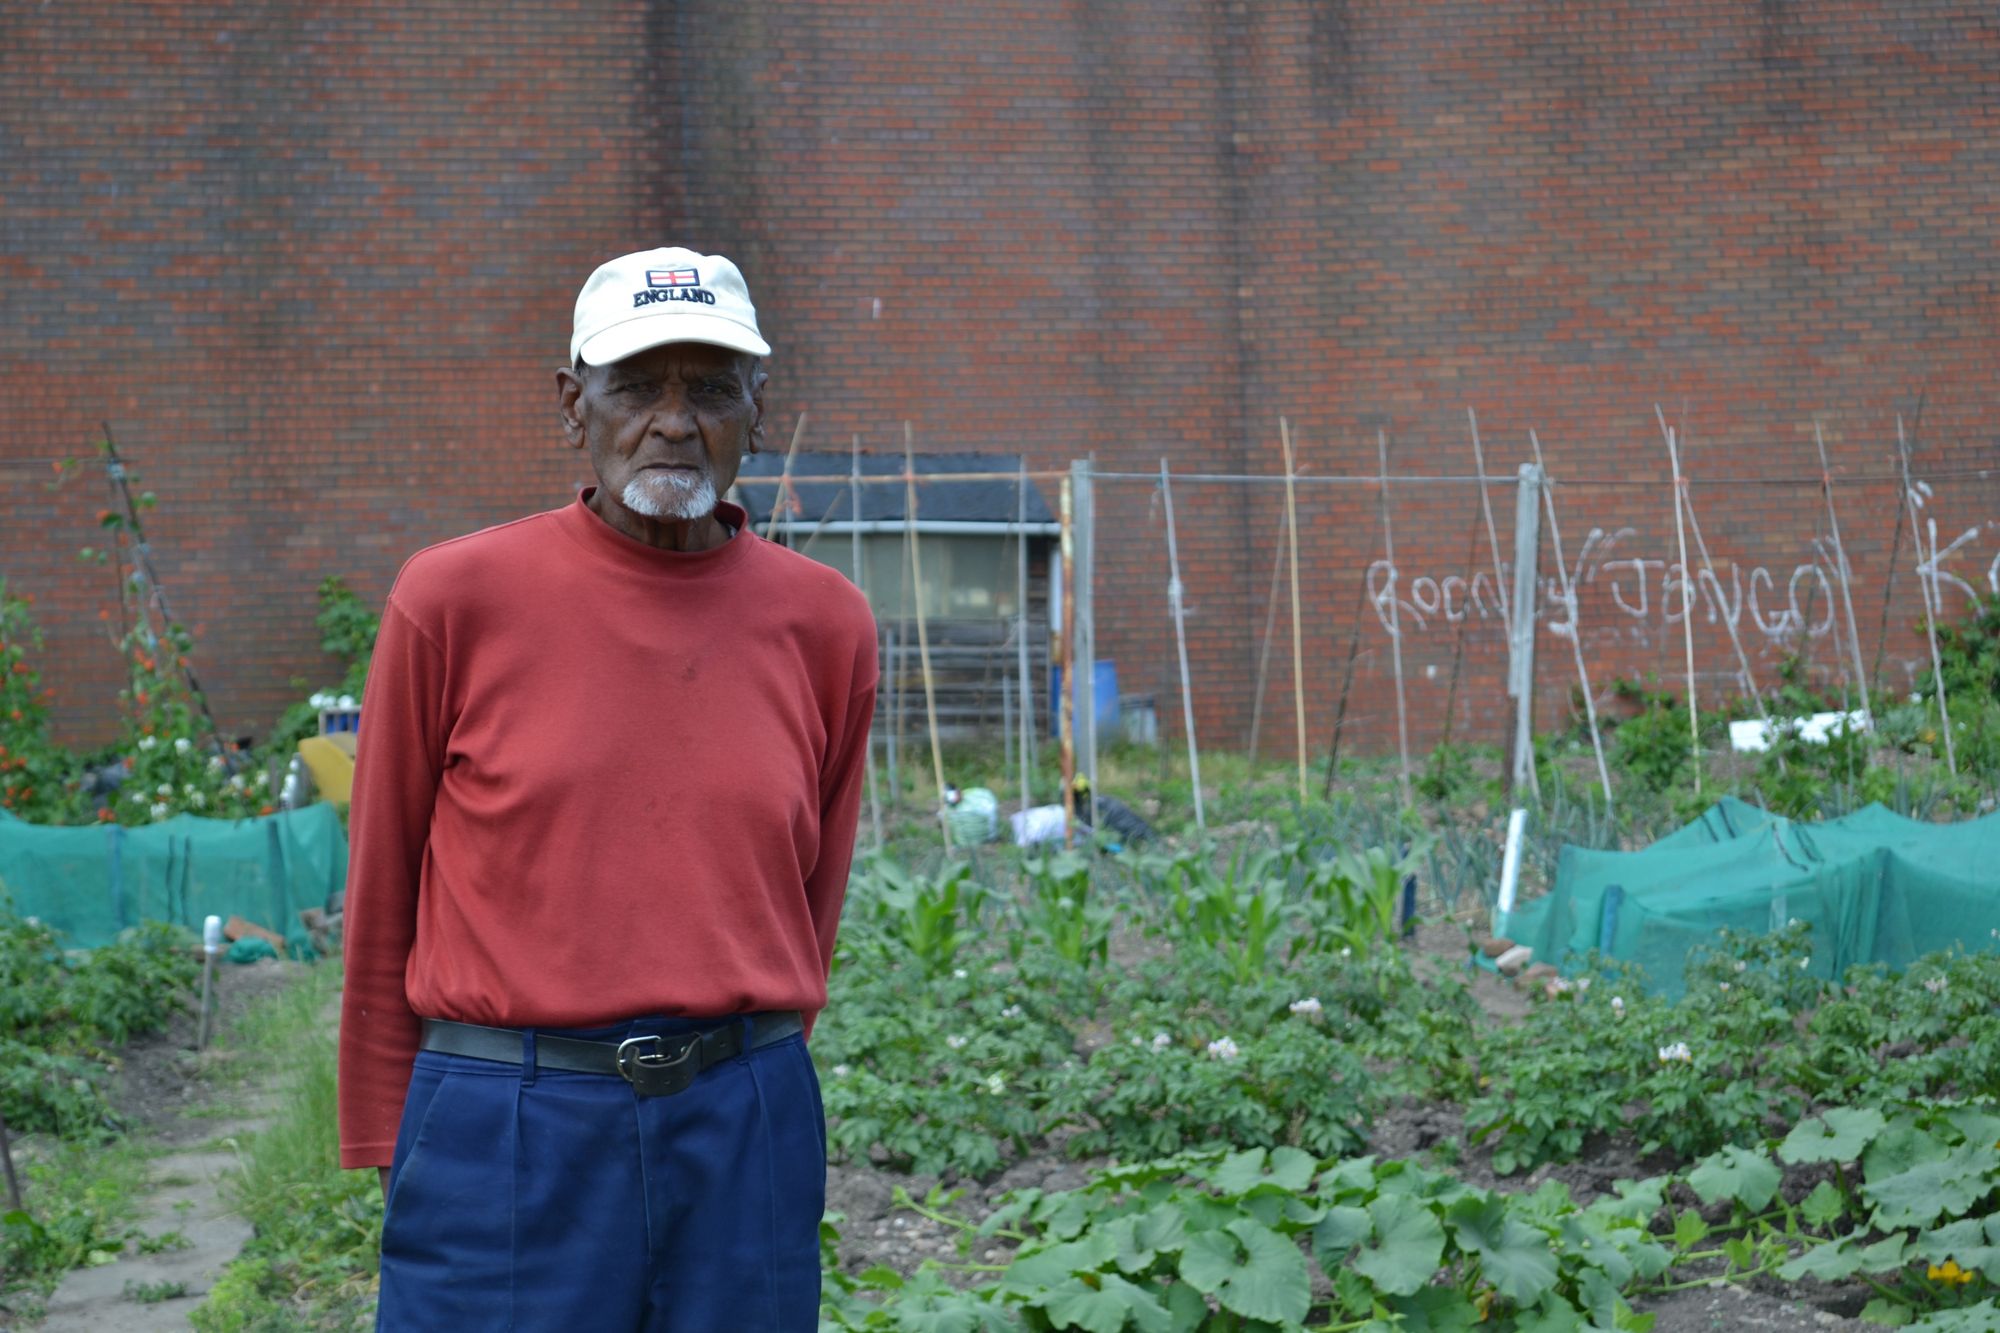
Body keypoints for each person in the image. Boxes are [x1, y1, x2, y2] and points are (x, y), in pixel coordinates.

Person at [337, 245, 878, 1332]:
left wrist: (748, 1075)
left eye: (711, 388)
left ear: (755, 410)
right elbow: (384, 889)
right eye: (636, 385)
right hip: (508, 1119)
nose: (673, 421)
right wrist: (394, 1142)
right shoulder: (452, 601)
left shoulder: (824, 624)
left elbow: (804, 901)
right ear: (570, 401)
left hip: (743, 1120)